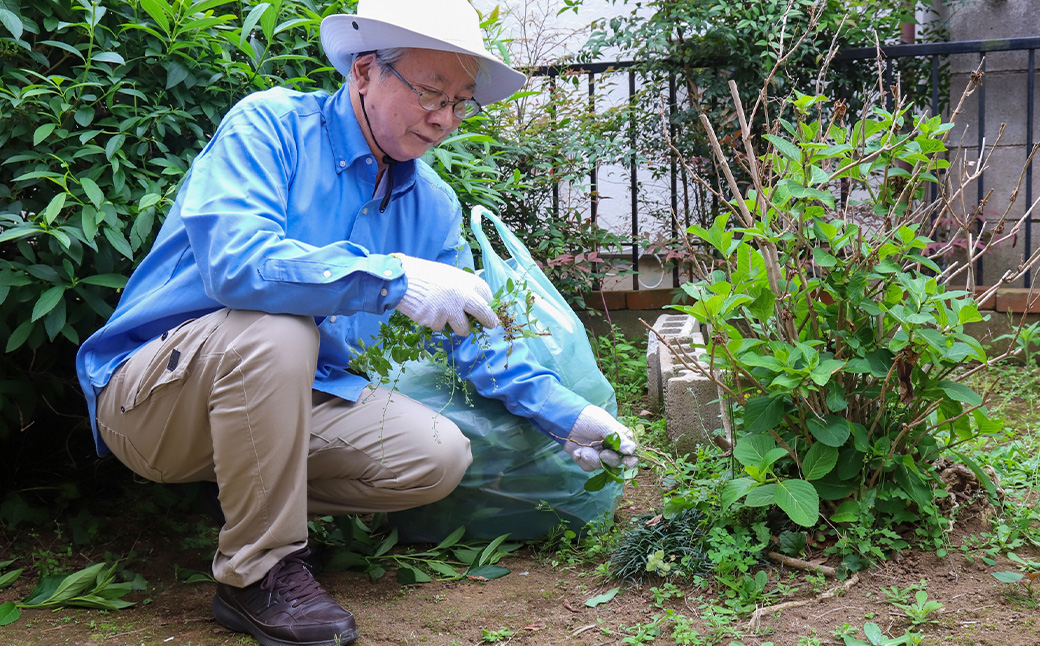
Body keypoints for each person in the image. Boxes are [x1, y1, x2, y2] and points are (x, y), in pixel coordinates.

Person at [74, 1, 638, 645]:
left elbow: (474, 340)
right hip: (152, 397)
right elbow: (237, 266)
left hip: (283, 398)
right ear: (365, 70)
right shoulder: (270, 126)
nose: (445, 118)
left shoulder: (430, 203)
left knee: (437, 456)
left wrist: (566, 414)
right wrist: (393, 276)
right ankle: (255, 573)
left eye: (461, 102)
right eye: (431, 92)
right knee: (280, 327)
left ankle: (247, 502)